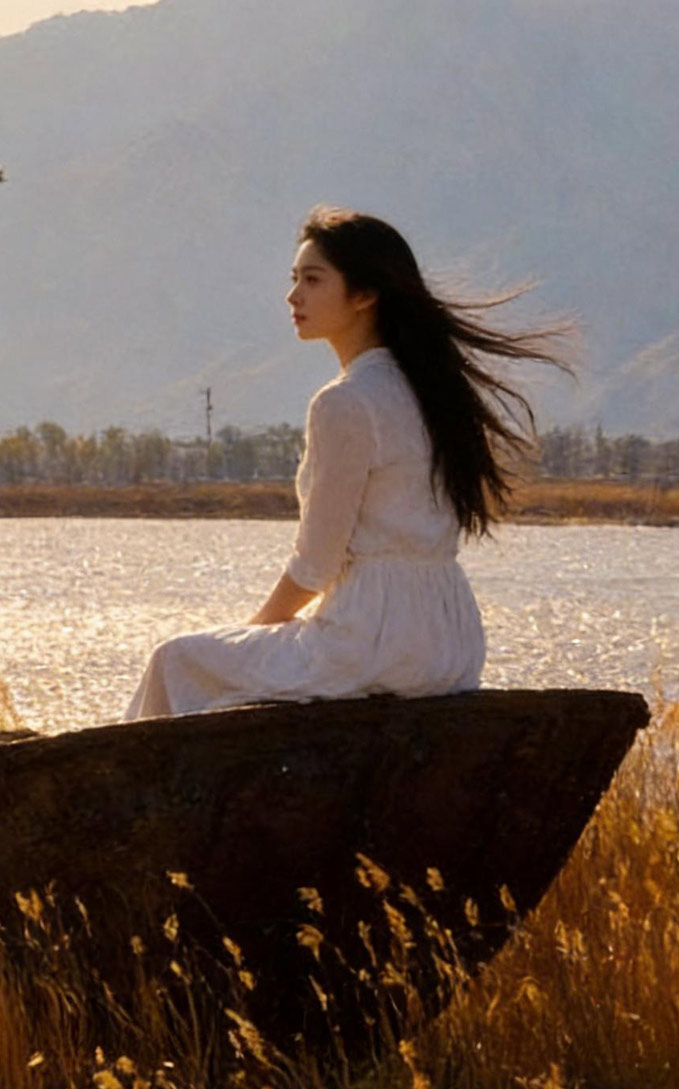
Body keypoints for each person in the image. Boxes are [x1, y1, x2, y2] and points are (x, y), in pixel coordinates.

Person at [124, 205, 576, 720]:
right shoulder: (434, 394)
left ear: (364, 295)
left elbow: (316, 564)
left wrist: (253, 630)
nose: (293, 296)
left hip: (370, 643)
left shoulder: (346, 401)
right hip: (450, 642)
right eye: (294, 278)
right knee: (218, 658)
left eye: (313, 280)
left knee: (175, 661)